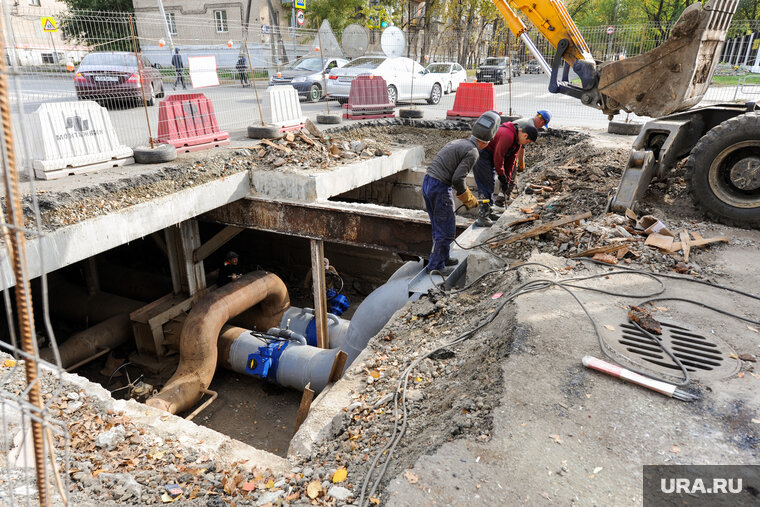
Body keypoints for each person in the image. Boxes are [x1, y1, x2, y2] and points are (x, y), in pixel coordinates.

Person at [422, 111, 501, 273]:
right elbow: (458, 178)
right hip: (439, 187)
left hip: (428, 182)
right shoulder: (473, 152)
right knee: (447, 229)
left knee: (439, 224)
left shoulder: (459, 142)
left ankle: (443, 258)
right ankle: (436, 267)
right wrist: (467, 197)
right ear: (487, 142)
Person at [473, 121, 538, 227]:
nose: (526, 144)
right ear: (525, 135)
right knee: (486, 184)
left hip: (491, 155)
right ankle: (482, 217)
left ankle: (489, 212)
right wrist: (501, 175)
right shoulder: (507, 136)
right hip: (483, 154)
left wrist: (506, 180)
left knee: (490, 183)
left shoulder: (517, 142)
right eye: (528, 141)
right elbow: (499, 157)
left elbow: (510, 161)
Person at [493, 110, 550, 207]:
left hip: (507, 148)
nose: (541, 127)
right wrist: (521, 162)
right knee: (510, 178)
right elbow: (521, 146)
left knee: (509, 176)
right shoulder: (530, 126)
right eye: (543, 125)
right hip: (507, 148)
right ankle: (500, 201)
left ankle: (504, 197)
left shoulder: (527, 121)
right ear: (542, 122)